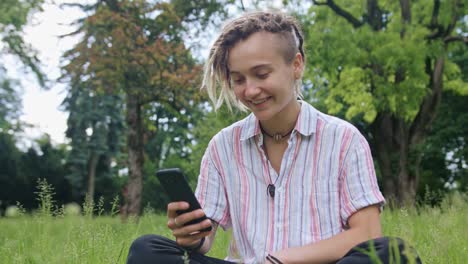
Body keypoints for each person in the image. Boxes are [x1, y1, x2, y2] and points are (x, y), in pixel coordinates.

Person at [127, 11, 421, 264]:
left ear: (296, 65)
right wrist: (190, 236)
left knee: (395, 253)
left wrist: (284, 258)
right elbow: (205, 242)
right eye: (239, 79)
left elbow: (367, 234)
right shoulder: (222, 147)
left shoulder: (344, 139)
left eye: (261, 74)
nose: (250, 90)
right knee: (148, 250)